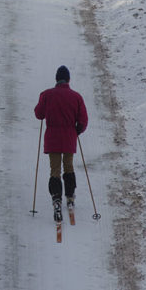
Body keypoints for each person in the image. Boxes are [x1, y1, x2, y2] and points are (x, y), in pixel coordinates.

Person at [34, 65, 88, 222]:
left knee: (55, 170)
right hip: (69, 137)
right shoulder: (76, 97)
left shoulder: (47, 95)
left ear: (56, 79)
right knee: (69, 166)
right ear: (69, 79)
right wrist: (76, 131)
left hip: (52, 138)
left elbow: (39, 114)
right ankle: (70, 196)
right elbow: (83, 120)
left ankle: (56, 199)